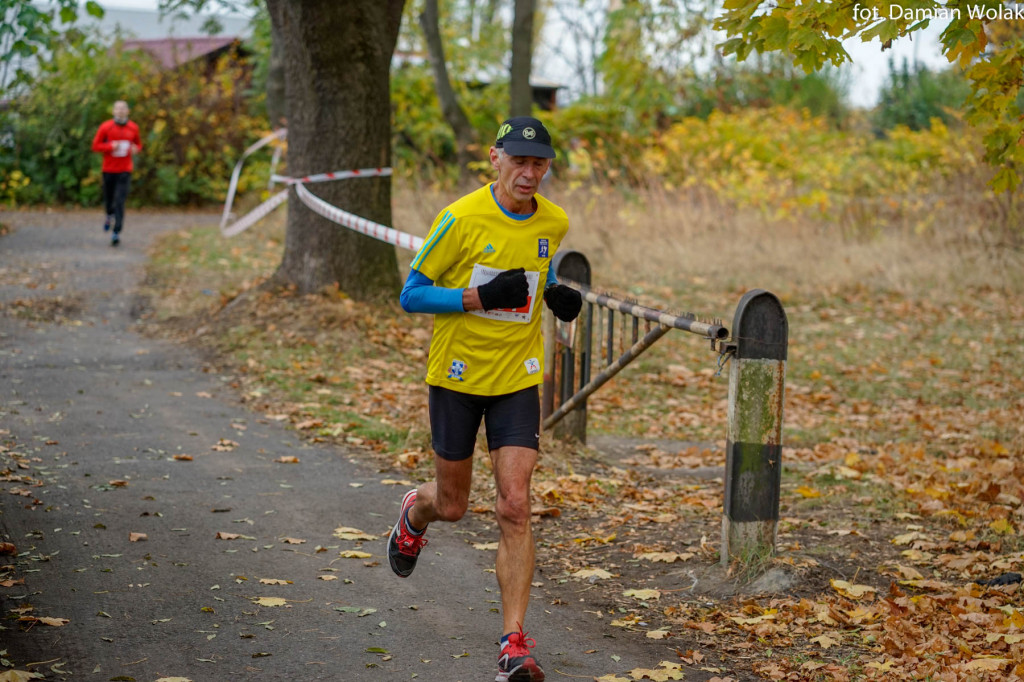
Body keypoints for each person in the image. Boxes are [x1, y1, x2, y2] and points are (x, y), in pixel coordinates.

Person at [388, 116, 583, 682]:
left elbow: (533, 274)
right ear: (495, 159)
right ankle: (414, 511)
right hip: (456, 376)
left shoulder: (555, 220)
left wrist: (555, 296)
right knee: (452, 505)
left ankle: (513, 644)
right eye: (519, 161)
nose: (529, 172)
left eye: (539, 162)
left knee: (514, 505)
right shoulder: (460, 217)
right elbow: (411, 295)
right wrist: (477, 297)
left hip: (518, 377)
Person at [91, 100, 142, 247]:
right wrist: (110, 146)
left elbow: (138, 144)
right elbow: (95, 146)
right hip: (108, 169)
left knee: (120, 200)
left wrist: (135, 149)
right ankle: (109, 215)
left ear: (127, 111)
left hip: (125, 170)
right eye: (117, 109)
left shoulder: (133, 128)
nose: (120, 111)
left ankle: (116, 232)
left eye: (123, 108)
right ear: (113, 111)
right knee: (109, 199)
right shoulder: (106, 127)